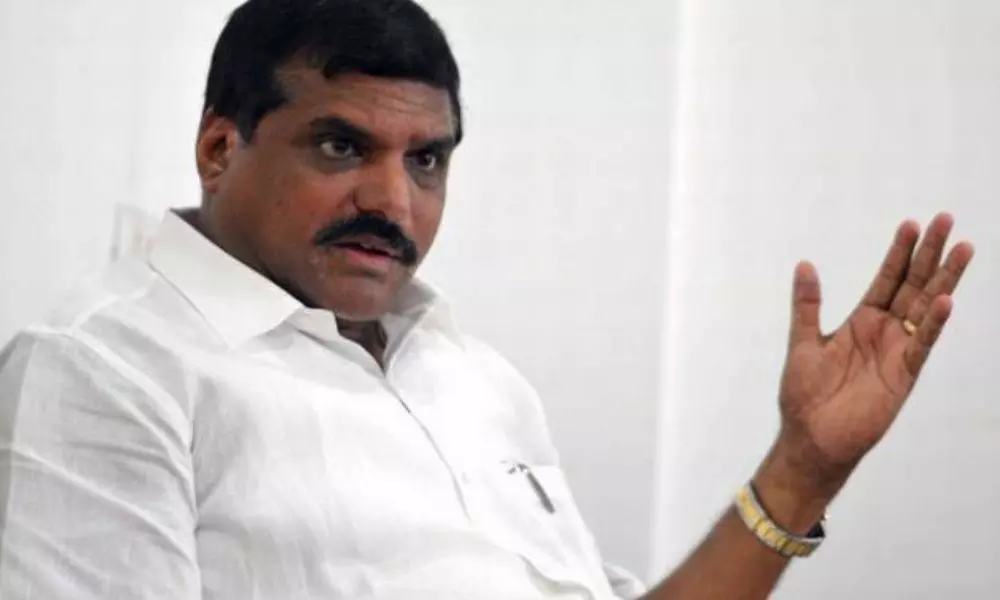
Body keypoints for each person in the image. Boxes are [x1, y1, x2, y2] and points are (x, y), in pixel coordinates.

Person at [0, 0, 976, 598]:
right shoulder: (106, 374)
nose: (393, 201)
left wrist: (803, 469)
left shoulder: (470, 376)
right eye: (341, 146)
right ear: (220, 149)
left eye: (426, 160)